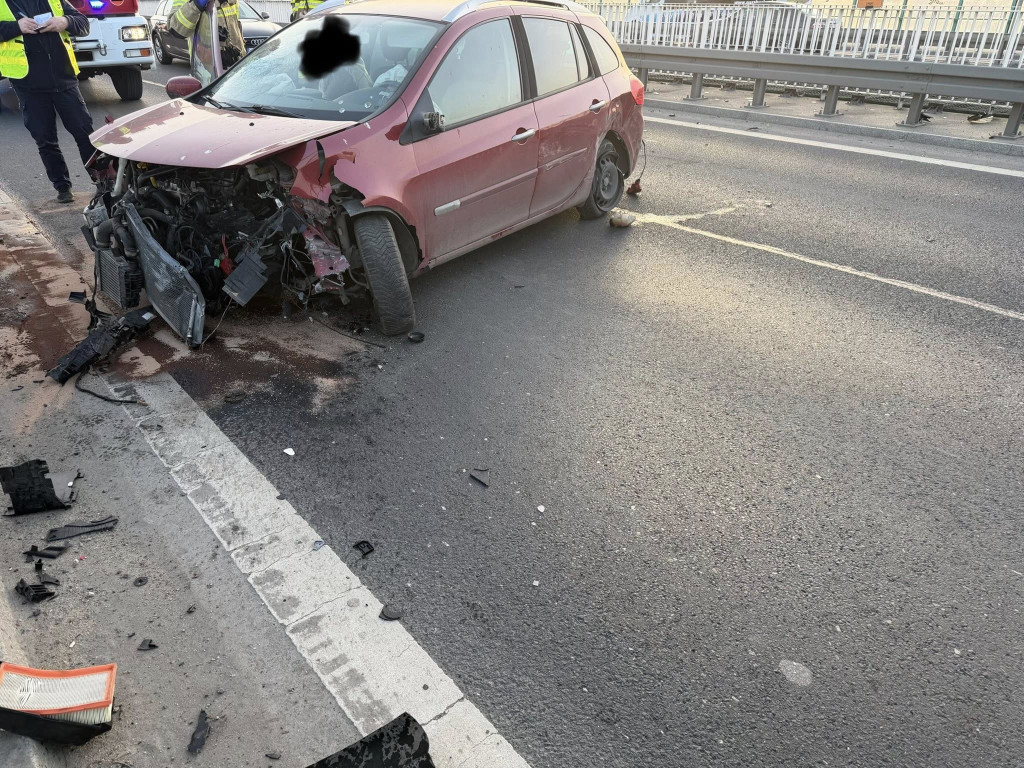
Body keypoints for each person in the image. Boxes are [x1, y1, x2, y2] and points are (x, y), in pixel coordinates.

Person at [0, 0, 94, 204]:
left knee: (85, 134)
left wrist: (64, 21)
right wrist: (16, 27)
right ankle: (62, 187)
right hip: (29, 86)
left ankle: (103, 183)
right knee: (45, 139)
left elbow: (83, 23)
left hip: (64, 80)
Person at [168, 0, 244, 70]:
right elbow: (175, 28)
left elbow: (236, 26)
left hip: (238, 65)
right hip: (209, 71)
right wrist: (196, 4)